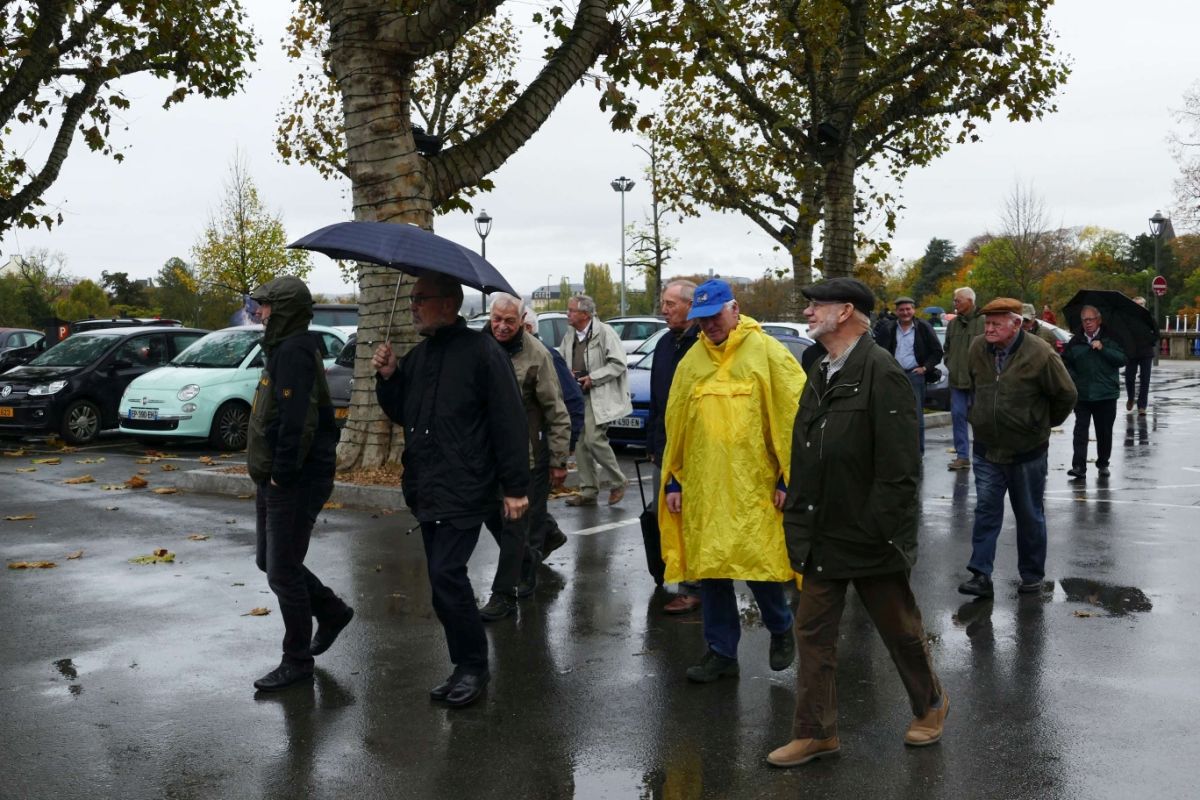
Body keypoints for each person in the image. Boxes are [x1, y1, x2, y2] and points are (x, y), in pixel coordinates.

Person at [768, 278, 946, 768]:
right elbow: (807, 447)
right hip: (821, 528)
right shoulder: (818, 367)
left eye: (816, 305)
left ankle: (930, 703)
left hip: (869, 533)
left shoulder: (881, 371)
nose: (807, 313)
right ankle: (816, 733)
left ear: (846, 311)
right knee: (812, 633)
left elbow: (900, 468)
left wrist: (878, 529)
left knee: (899, 630)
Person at [373, 274, 530, 708]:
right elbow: (404, 412)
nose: (413, 306)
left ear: (447, 303)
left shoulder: (483, 353)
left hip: (466, 486)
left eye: (420, 299)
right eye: (411, 299)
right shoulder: (420, 356)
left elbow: (510, 421)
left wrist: (516, 487)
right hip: (427, 486)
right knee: (442, 580)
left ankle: (473, 667)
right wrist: (389, 376)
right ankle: (463, 664)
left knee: (447, 575)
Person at [658, 279, 805, 683]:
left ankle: (781, 627)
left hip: (753, 485)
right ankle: (721, 652)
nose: (709, 325)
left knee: (758, 565)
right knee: (712, 571)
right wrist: (674, 481)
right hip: (704, 486)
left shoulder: (768, 353)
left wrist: (787, 479)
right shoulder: (693, 362)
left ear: (735, 309)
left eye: (715, 316)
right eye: (701, 319)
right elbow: (678, 425)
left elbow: (793, 419)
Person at [246, 276, 351, 692]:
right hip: (277, 476)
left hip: (294, 479)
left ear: (284, 309)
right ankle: (332, 611)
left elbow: (298, 423)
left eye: (266, 305)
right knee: (269, 561)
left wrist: (282, 475)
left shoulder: (293, 352)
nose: (260, 312)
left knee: (283, 569)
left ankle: (297, 660)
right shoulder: (283, 348)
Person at [958, 298, 1077, 599]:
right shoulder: (977, 348)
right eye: (987, 323)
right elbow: (973, 386)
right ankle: (980, 574)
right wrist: (977, 415)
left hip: (1027, 451)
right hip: (987, 449)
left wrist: (1041, 424)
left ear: (1016, 324)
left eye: (996, 324)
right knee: (986, 511)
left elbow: (1066, 394)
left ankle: (1032, 576)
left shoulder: (1040, 352)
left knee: (1028, 515)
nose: (989, 329)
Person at [477, 294, 571, 621]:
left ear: (522, 321)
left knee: (521, 523)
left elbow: (557, 411)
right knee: (491, 515)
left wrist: (558, 460)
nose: (502, 326)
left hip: (527, 455)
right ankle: (528, 560)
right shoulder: (478, 347)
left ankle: (510, 589)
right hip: (485, 455)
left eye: (510, 321)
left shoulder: (537, 355)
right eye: (496, 319)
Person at [646, 279, 702, 615]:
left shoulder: (704, 344)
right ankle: (674, 571)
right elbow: (658, 400)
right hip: (664, 448)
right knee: (663, 514)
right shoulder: (665, 344)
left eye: (670, 304)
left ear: (691, 307)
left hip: (695, 450)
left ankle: (694, 587)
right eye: (663, 304)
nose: (664, 310)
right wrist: (653, 443)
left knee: (690, 517)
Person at [560, 294, 631, 506]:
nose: (567, 314)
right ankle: (588, 490)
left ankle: (619, 480)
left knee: (593, 439)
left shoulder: (605, 333)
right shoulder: (570, 334)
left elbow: (618, 363)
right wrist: (566, 373)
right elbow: (562, 359)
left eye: (571, 310)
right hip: (577, 395)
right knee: (580, 443)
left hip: (599, 394)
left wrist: (593, 378)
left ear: (585, 314)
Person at [523, 306, 580, 557]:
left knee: (531, 513)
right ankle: (550, 535)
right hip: (519, 450)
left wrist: (563, 451)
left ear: (526, 327)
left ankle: (529, 565)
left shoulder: (545, 355)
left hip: (540, 449)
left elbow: (572, 403)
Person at [873, 295, 943, 453]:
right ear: (896, 311)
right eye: (901, 310)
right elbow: (878, 351)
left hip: (915, 376)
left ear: (913, 310)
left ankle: (917, 453)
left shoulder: (923, 327)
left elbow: (937, 352)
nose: (905, 313)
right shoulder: (889, 328)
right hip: (893, 376)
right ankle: (897, 453)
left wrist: (925, 368)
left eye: (908, 309)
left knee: (915, 415)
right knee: (892, 414)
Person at [1063, 305, 1126, 480]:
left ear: (1098, 320)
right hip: (1082, 394)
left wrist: (1103, 348)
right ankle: (1079, 466)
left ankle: (1103, 463)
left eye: (1091, 319)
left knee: (1104, 432)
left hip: (1106, 394)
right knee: (1080, 431)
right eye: (1084, 320)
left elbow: (1122, 359)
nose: (1088, 323)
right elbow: (1065, 363)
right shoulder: (1076, 341)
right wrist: (1074, 378)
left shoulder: (1111, 338)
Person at [945, 287, 984, 471]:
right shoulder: (953, 324)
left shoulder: (984, 322)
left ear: (970, 301)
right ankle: (962, 456)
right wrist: (950, 364)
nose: (955, 303)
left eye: (958, 300)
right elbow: (947, 348)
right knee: (958, 416)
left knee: (980, 419)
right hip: (957, 380)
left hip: (978, 381)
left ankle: (982, 455)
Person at [1125, 296, 1154, 416]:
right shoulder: (1127, 319)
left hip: (1146, 352)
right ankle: (1131, 398)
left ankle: (1142, 406)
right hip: (1132, 353)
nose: (1139, 306)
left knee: (1145, 380)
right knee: (1129, 378)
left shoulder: (1149, 318)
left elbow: (1156, 332)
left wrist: (1151, 341)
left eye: (1141, 304)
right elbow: (1123, 334)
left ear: (1144, 306)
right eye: (1137, 304)